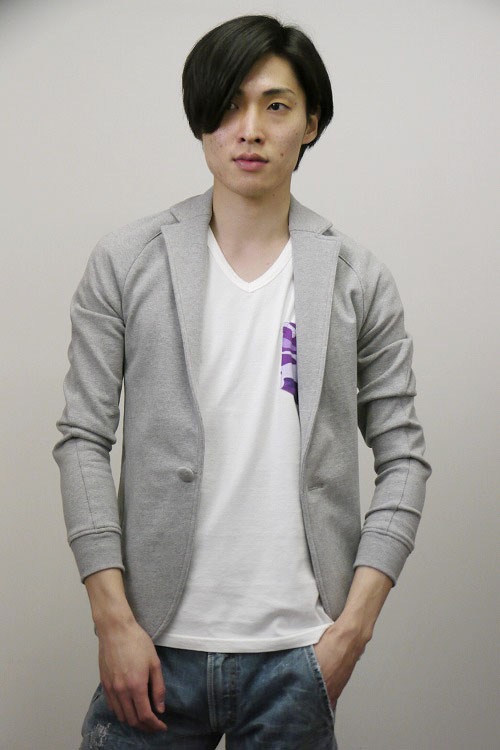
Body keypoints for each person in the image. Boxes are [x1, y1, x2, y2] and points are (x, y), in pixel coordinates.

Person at [53, 14, 431, 750]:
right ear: (201, 118)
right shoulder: (127, 261)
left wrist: (351, 632)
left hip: (298, 655)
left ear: (310, 123)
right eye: (228, 105)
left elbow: (405, 457)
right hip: (152, 647)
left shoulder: (357, 278)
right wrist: (112, 619)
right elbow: (82, 439)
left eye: (275, 105)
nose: (249, 130)